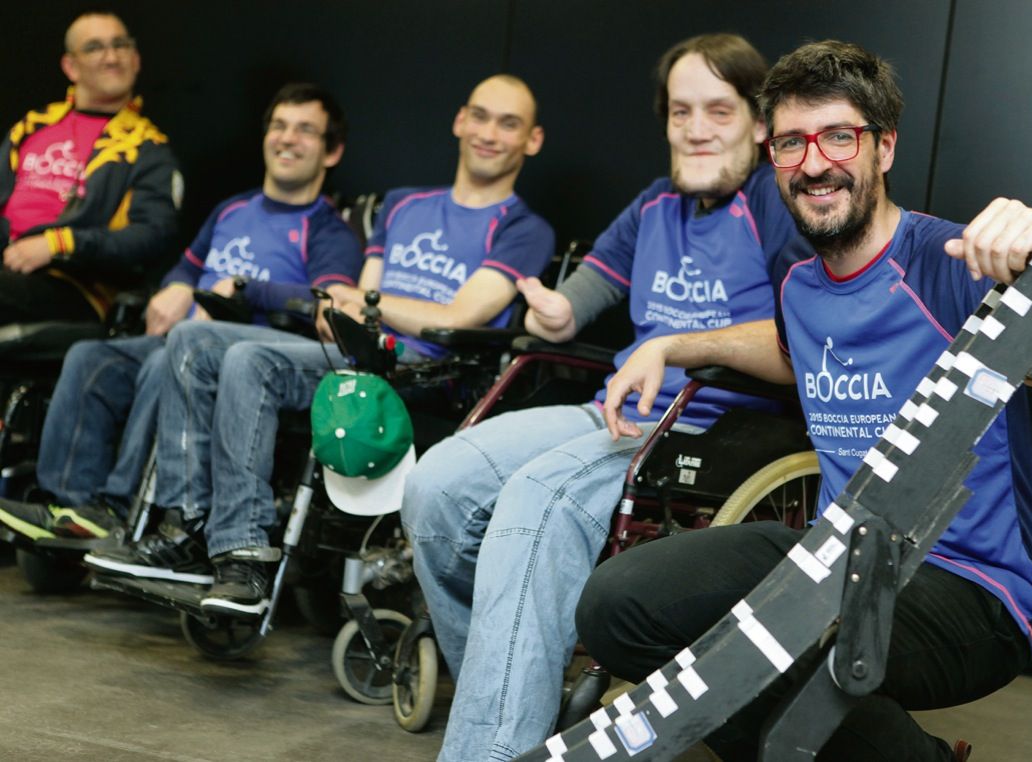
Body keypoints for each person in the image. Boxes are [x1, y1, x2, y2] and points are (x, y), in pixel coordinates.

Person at [575, 40, 1032, 762]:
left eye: (839, 136)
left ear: (884, 148)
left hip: (975, 588)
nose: (814, 163)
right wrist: (676, 344)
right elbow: (789, 349)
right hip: (834, 557)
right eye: (791, 142)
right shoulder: (798, 288)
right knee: (618, 606)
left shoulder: (951, 269)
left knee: (784, 646)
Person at [400, 34, 800, 762]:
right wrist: (555, 311)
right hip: (621, 415)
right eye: (681, 111)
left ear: (761, 122)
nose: (697, 128)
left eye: (719, 109)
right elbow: (587, 290)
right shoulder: (656, 203)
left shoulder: (776, 201)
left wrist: (679, 346)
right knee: (436, 485)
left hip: (715, 428)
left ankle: (496, 746)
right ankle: (517, 692)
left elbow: (804, 341)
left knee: (536, 498)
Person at [85, 74, 556, 617]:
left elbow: (455, 317)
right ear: (459, 121)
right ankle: (188, 524)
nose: (489, 133)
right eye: (480, 116)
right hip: (356, 354)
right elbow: (345, 309)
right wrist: (358, 305)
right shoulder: (402, 206)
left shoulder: (524, 227)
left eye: (508, 123)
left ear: (532, 139)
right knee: (192, 339)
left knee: (250, 359)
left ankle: (243, 552)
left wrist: (368, 301)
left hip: (428, 374)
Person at [0, 83, 362, 547]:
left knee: (167, 357)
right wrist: (175, 287)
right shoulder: (232, 209)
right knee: (91, 358)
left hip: (237, 356)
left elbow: (328, 301)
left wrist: (248, 291)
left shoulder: (330, 230)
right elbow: (186, 268)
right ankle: (66, 505)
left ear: (331, 152)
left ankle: (114, 510)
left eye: (305, 130)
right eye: (279, 126)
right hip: (182, 336)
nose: (287, 138)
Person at [0, 11, 180, 325]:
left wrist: (61, 243)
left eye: (120, 45)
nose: (111, 57)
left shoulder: (148, 148)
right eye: (95, 47)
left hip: (77, 289)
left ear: (135, 59)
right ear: (71, 66)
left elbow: (150, 239)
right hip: (8, 268)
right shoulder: (34, 125)